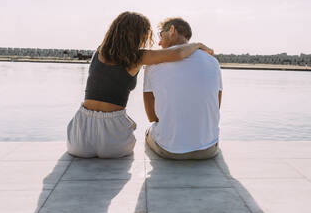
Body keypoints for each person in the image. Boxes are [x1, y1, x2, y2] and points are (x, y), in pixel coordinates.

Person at [67, 12, 213, 159]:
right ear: (138, 35)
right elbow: (179, 53)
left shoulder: (98, 52)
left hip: (79, 137)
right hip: (113, 142)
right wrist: (197, 44)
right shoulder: (137, 57)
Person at [144, 17, 222, 160]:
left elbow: (151, 116)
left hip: (169, 150)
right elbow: (216, 106)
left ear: (172, 30)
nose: (160, 42)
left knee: (148, 132)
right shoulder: (213, 62)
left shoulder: (153, 64)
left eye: (161, 35)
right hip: (208, 149)